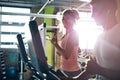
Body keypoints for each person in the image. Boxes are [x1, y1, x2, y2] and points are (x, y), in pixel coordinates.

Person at [78, 0, 120, 80]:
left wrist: (99, 70)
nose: (92, 15)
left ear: (108, 10)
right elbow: (93, 69)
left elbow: (97, 69)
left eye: (95, 11)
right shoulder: (99, 37)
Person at [51, 8, 82, 79]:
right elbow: (61, 53)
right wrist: (58, 49)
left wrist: (55, 44)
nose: (64, 21)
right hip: (64, 69)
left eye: (67, 18)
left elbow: (66, 56)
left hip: (72, 72)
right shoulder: (64, 35)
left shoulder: (73, 34)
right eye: (63, 18)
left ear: (73, 20)